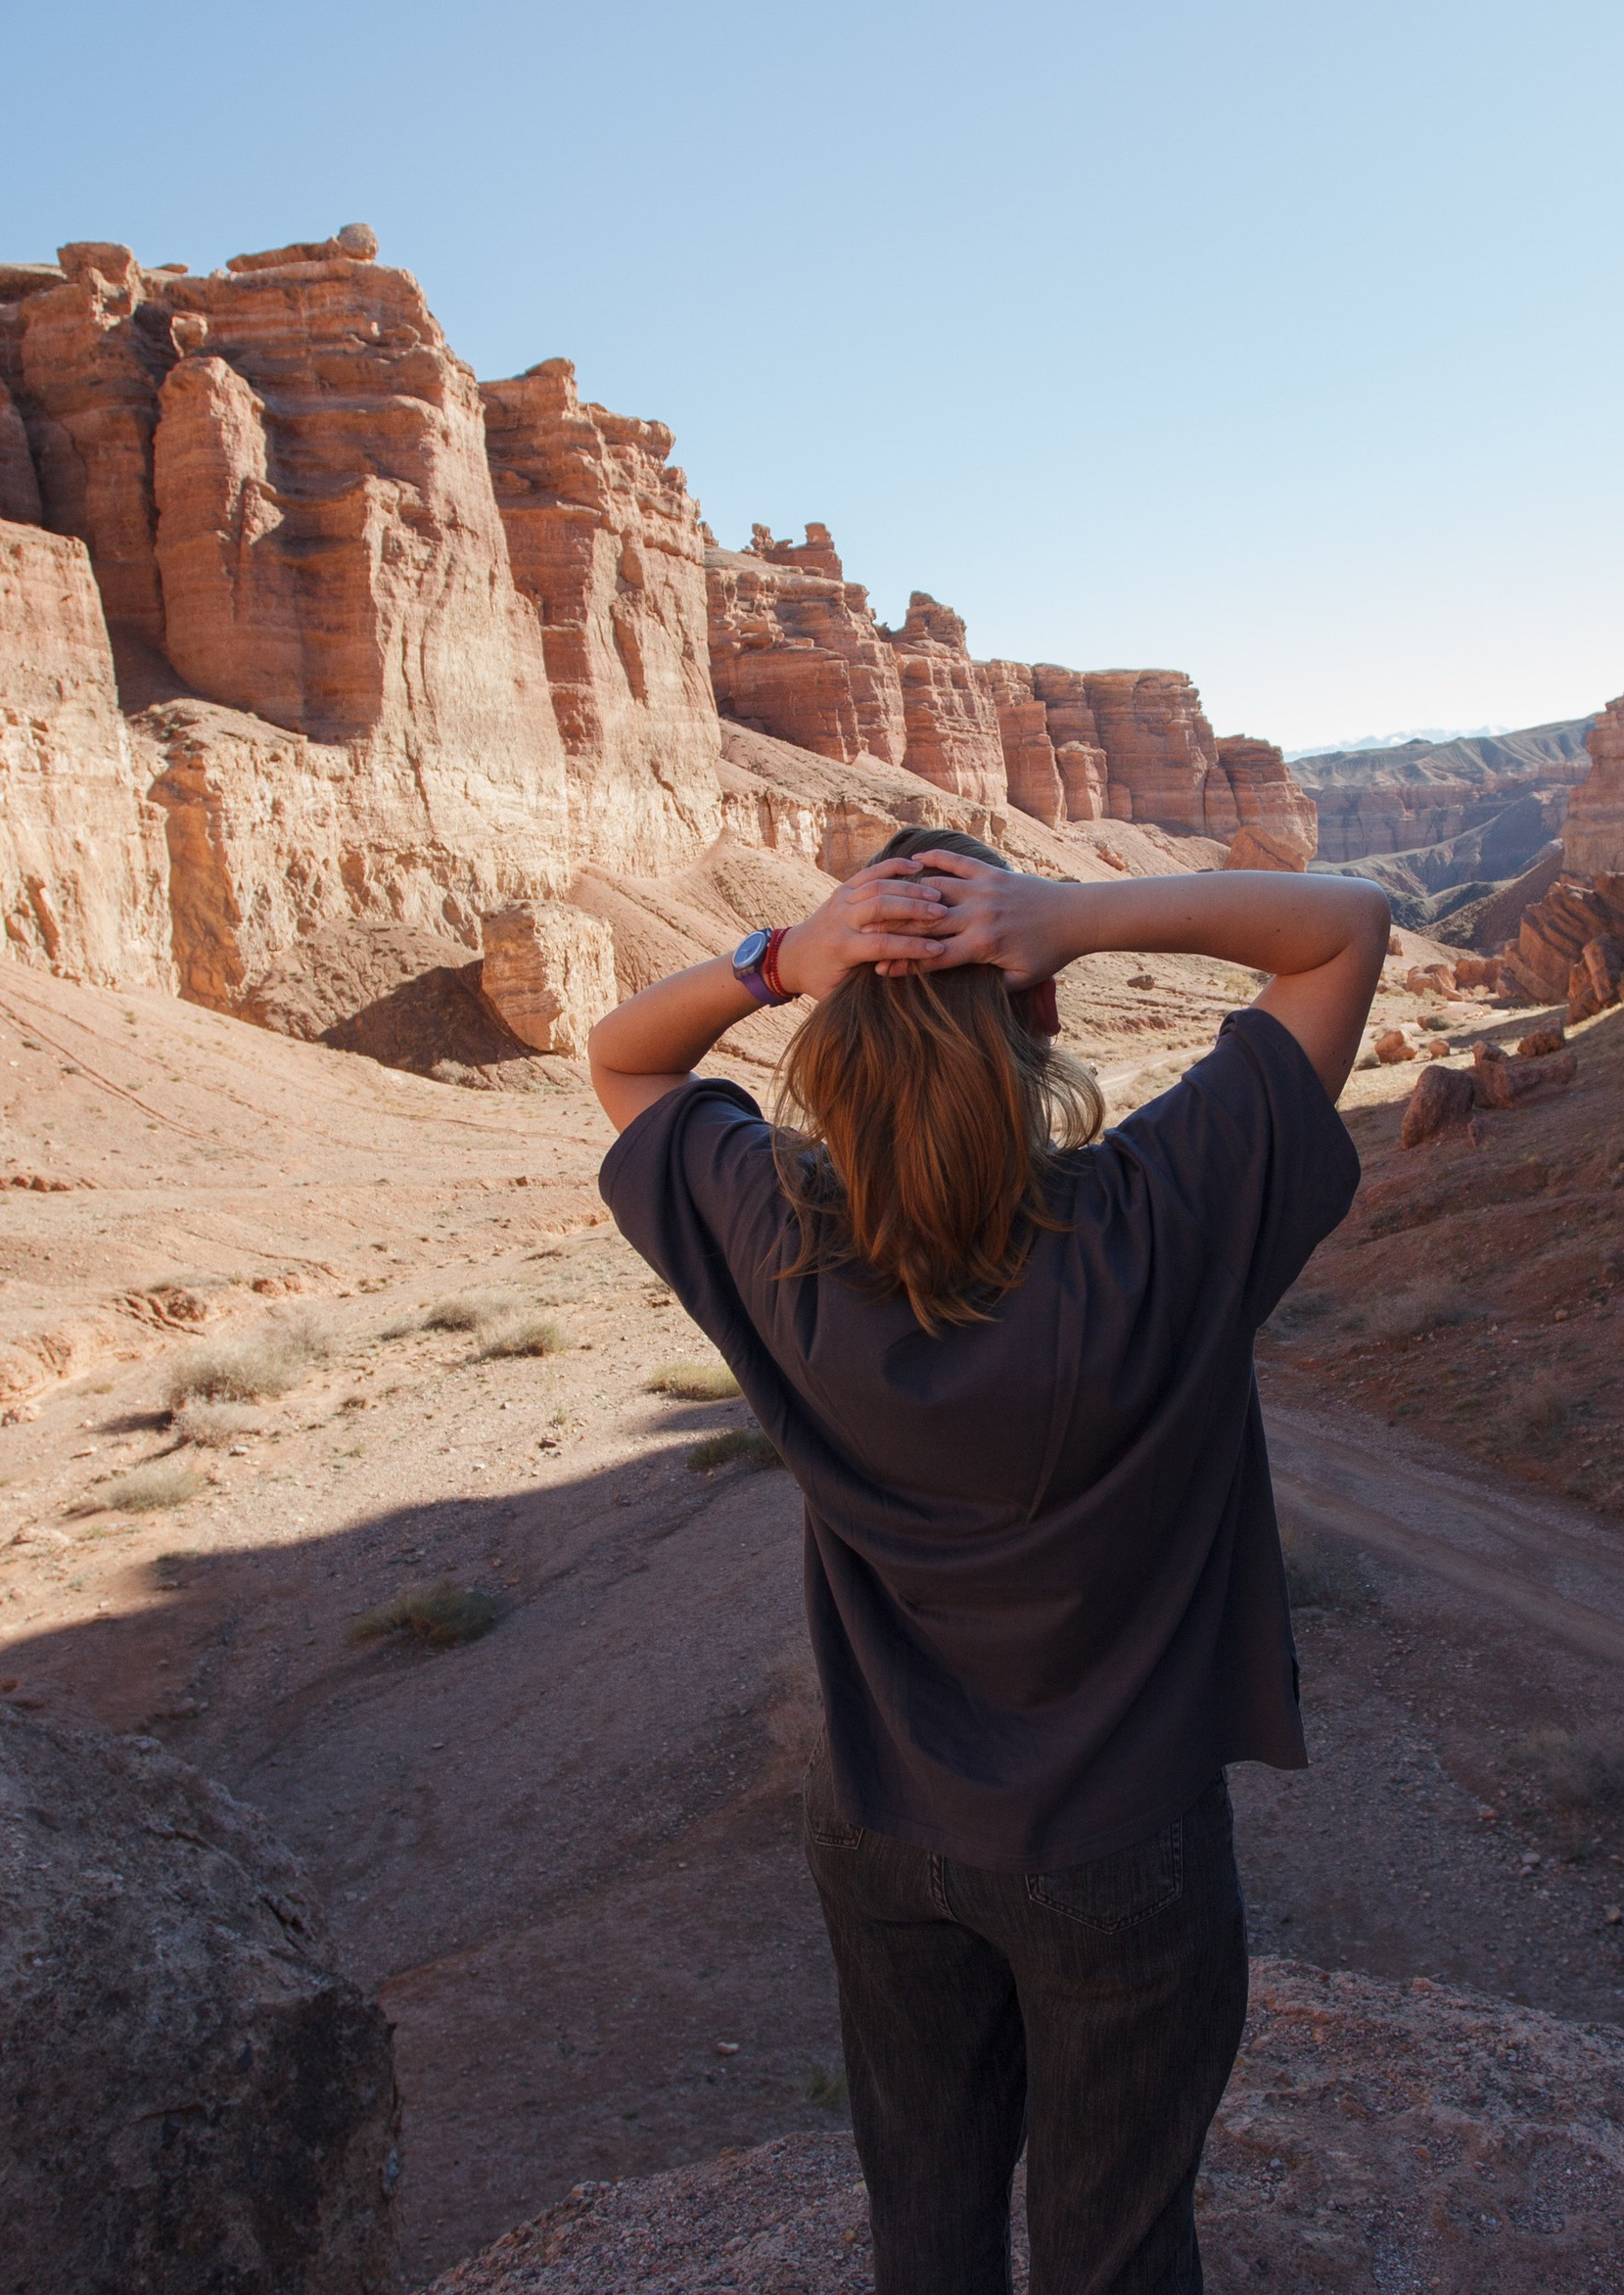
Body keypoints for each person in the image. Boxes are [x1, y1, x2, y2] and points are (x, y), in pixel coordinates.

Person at [587, 828, 1387, 2295]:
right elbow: (1341, 927)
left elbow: (627, 1063)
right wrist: (1069, 915)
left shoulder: (776, 1235)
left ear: (838, 1030)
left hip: (879, 1823)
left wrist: (782, 957)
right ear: (1043, 1009)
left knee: (927, 2218)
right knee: (1116, 2241)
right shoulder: (1161, 1219)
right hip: (1118, 1842)